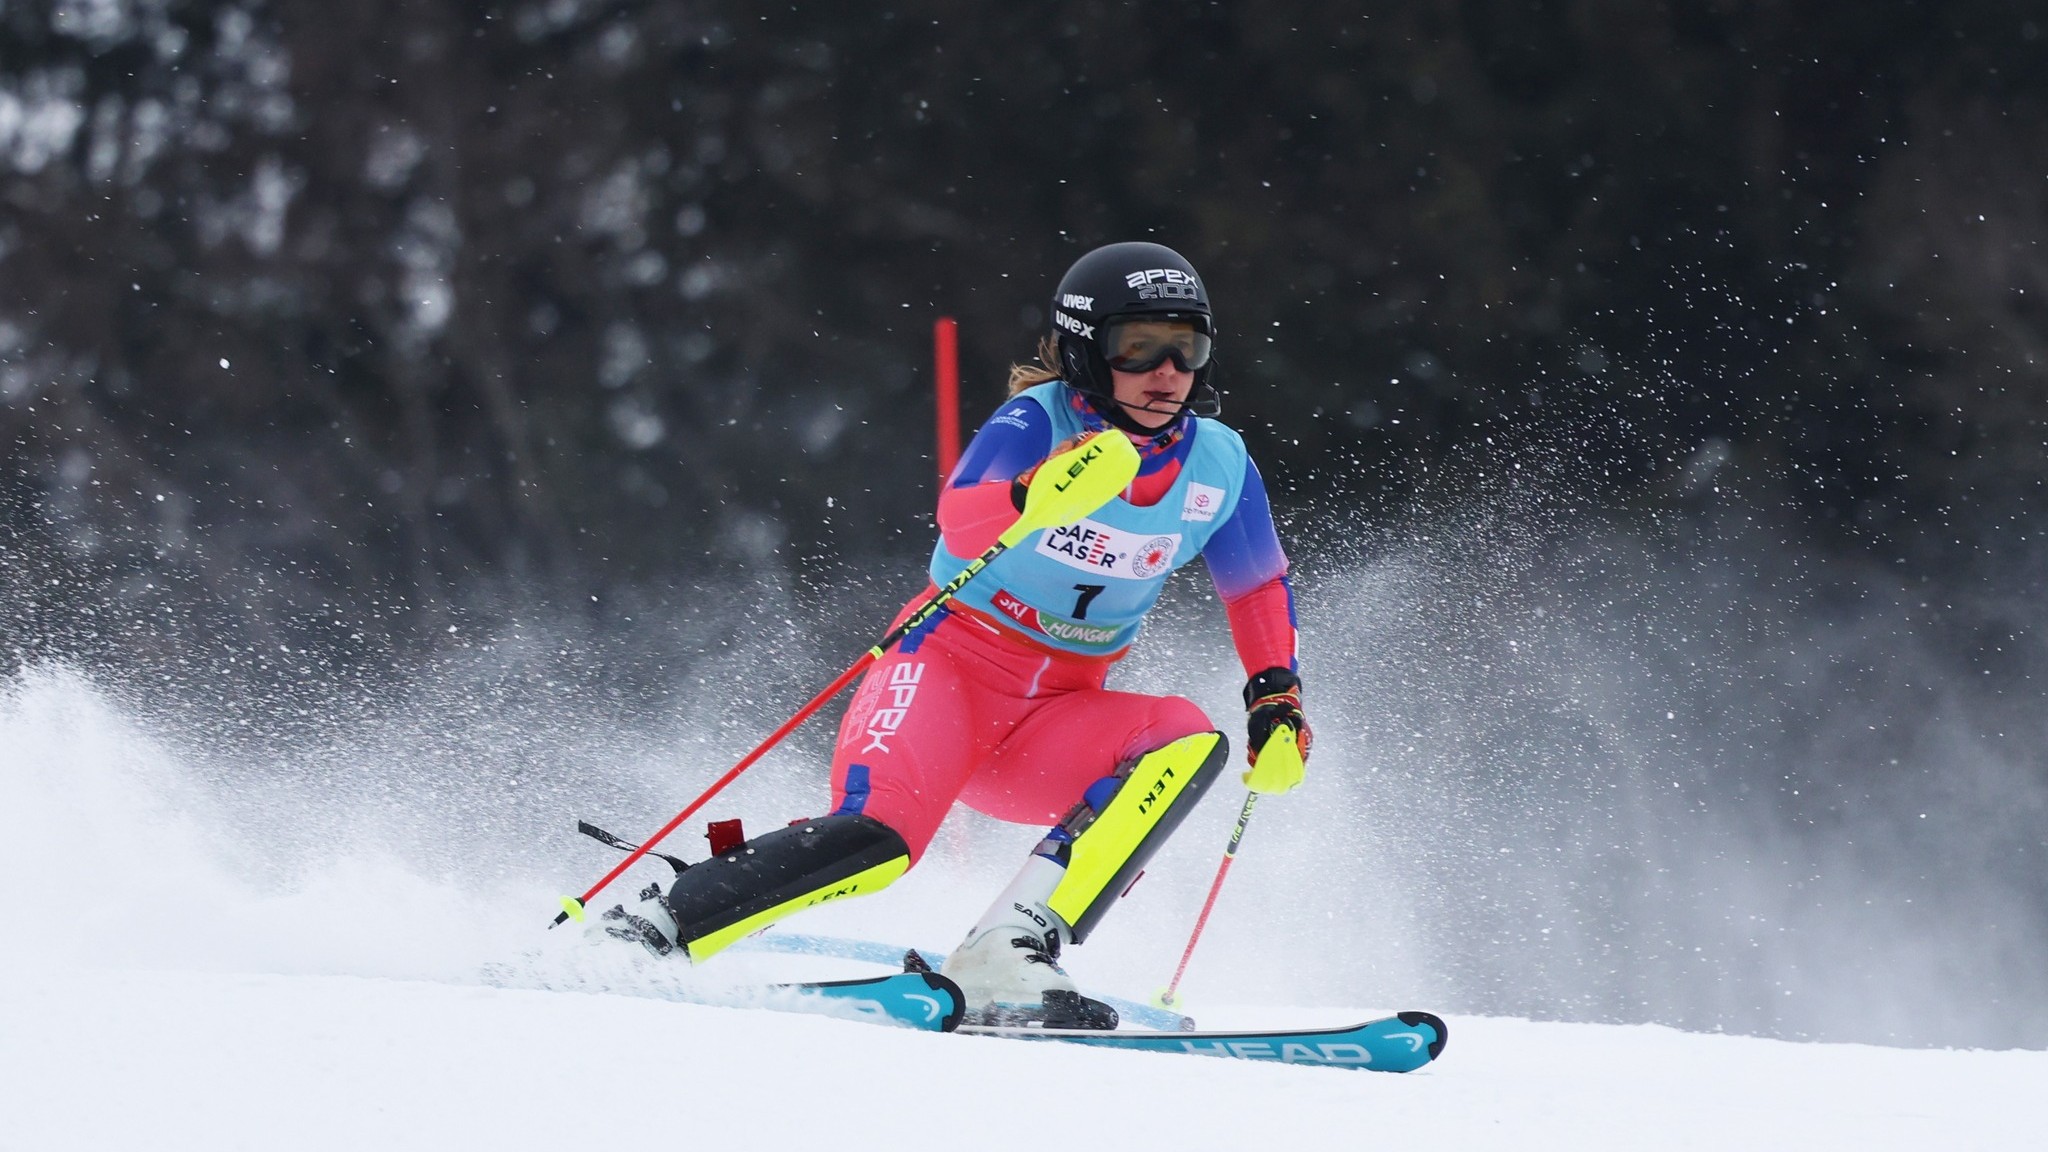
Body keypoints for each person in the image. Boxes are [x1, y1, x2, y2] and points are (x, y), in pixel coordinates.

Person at [623, 241, 1312, 1028]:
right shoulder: (1036, 419)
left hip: (1050, 719)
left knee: (1186, 741)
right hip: (944, 671)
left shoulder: (1218, 465)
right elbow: (960, 513)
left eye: (1186, 349)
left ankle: (1009, 949)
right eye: (1139, 347)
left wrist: (1275, 695)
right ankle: (659, 923)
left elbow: (1257, 585)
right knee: (881, 843)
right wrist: (1032, 494)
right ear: (1088, 350)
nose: (1167, 372)